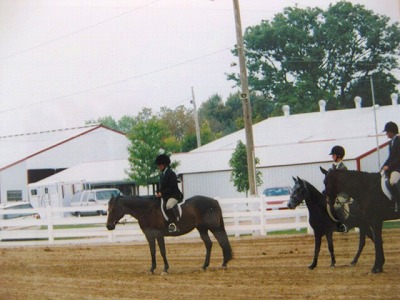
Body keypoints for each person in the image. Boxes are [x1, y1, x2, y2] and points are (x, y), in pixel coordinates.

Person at [155, 154, 183, 232]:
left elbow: (172, 187)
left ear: (164, 165)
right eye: (158, 165)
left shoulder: (171, 174)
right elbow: (162, 187)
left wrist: (162, 194)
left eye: (160, 165)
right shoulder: (161, 175)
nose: (158, 167)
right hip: (166, 196)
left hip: (174, 195)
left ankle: (175, 224)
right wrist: (158, 192)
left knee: (169, 206)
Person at [329, 145, 349, 232]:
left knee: (336, 206)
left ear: (338, 156)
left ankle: (344, 225)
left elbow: (342, 184)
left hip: (343, 193)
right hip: (334, 193)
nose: (332, 156)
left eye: (333, 155)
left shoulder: (343, 168)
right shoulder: (333, 167)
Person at [382, 121, 400, 212]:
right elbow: (390, 157)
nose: (386, 134)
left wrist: (389, 166)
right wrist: (383, 166)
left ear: (391, 131)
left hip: (398, 168)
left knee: (392, 181)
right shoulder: (391, 142)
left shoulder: (399, 140)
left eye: (387, 132)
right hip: (393, 168)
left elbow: (398, 157)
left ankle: (398, 201)